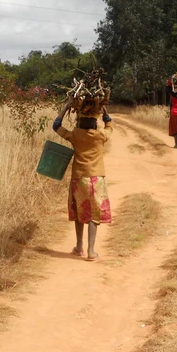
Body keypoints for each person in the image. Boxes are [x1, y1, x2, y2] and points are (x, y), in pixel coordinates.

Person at [52, 101, 113, 261]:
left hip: (79, 178)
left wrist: (65, 108)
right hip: (97, 179)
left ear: (79, 121)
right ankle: (91, 251)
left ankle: (79, 247)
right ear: (95, 122)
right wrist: (104, 110)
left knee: (80, 212)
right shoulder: (100, 136)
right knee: (94, 215)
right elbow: (109, 124)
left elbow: (56, 125)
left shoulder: (75, 135)